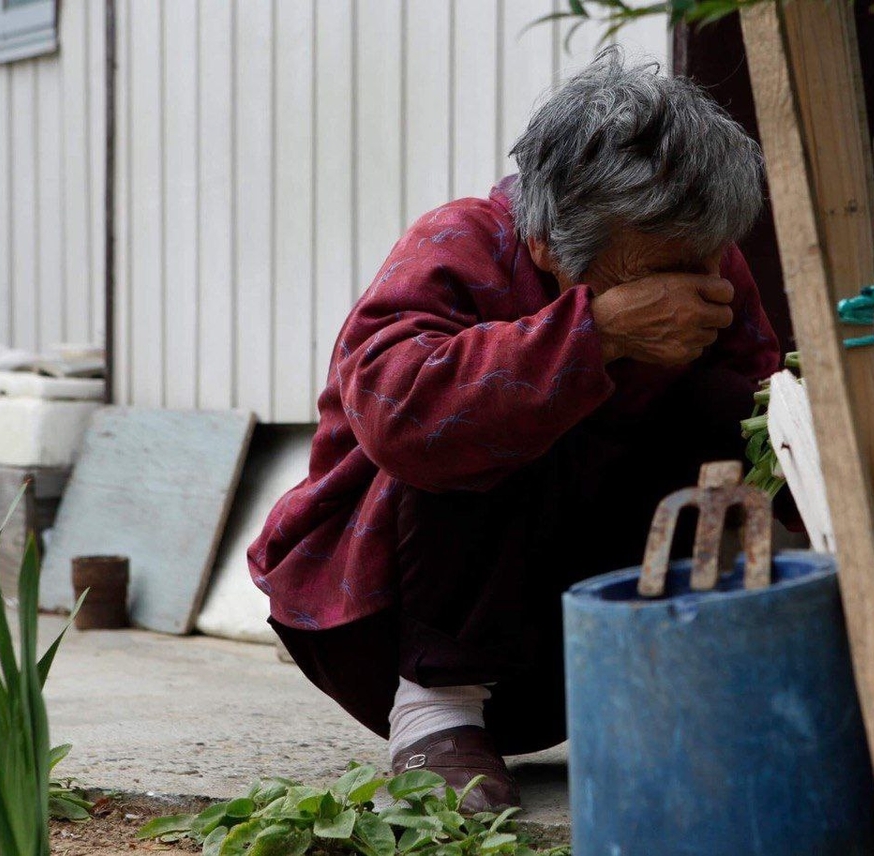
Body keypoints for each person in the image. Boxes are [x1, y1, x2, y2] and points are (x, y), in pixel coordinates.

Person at [248, 50, 780, 812]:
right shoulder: (459, 245)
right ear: (545, 245)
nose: (682, 290)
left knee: (727, 405)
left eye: (698, 260)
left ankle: (665, 684)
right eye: (650, 275)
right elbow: (401, 416)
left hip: (579, 645)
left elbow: (764, 420)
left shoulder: (706, 261)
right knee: (480, 403)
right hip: (395, 632)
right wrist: (596, 334)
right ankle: (437, 715)